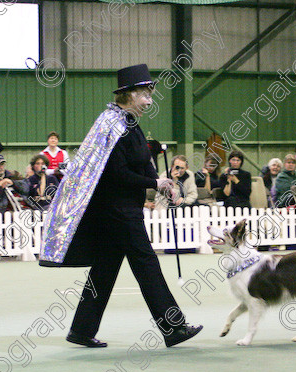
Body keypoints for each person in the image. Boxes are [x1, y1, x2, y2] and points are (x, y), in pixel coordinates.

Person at [39, 63, 202, 348]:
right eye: (145, 95)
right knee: (147, 264)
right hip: (119, 211)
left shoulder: (125, 124)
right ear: (128, 94)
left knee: (104, 270)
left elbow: (129, 160)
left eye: (150, 95)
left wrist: (151, 159)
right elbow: (117, 173)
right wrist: (155, 182)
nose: (149, 101)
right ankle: (173, 327)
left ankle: (81, 330)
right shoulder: (113, 125)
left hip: (117, 210)